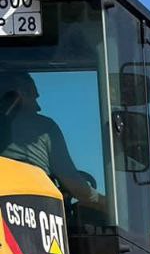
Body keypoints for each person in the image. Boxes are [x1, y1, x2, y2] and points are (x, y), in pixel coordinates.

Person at [0, 70, 103, 209]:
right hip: (36, 212)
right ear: (19, 94)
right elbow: (71, 182)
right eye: (34, 98)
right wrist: (108, 205)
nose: (38, 107)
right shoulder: (44, 127)